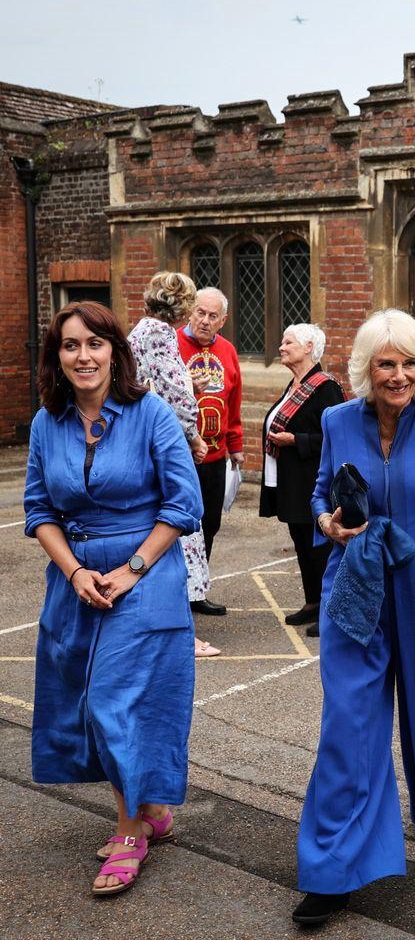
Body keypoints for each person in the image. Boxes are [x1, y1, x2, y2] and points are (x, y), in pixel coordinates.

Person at [293, 309, 415, 926]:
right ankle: (332, 869)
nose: (399, 375)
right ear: (366, 369)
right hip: (358, 590)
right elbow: (320, 493)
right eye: (386, 364)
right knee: (349, 722)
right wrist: (328, 523)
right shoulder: (336, 419)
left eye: (409, 363)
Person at [24, 301, 202, 896]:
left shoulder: (150, 413)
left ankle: (130, 832)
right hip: (75, 579)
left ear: (115, 352)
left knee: (112, 700)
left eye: (95, 344)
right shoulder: (46, 423)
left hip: (145, 576)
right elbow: (39, 510)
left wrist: (130, 570)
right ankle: (151, 807)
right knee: (83, 700)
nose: (84, 356)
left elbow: (184, 506)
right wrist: (75, 571)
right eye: (71, 346)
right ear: (57, 358)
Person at [129, 271, 220, 658]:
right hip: (159, 449)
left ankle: (159, 627)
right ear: (183, 306)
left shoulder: (139, 330)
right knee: (179, 529)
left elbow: (154, 381)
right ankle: (183, 634)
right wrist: (194, 436)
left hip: (140, 442)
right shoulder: (160, 333)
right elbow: (174, 394)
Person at [259, 324, 345, 637]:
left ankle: (329, 610)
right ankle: (312, 602)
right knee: (302, 545)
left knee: (320, 548)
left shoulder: (325, 387)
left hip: (313, 482)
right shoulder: (295, 384)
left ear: (308, 347)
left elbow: (337, 437)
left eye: (288, 342)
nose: (280, 347)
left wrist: (296, 440)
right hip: (292, 481)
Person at [177, 287, 244, 615]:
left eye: (212, 316)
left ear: (223, 320)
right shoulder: (171, 344)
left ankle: (196, 590)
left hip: (215, 458)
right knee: (178, 526)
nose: (204, 321)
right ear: (190, 311)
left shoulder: (229, 351)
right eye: (200, 313)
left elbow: (234, 403)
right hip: (179, 457)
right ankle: (174, 592)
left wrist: (236, 446)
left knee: (209, 524)